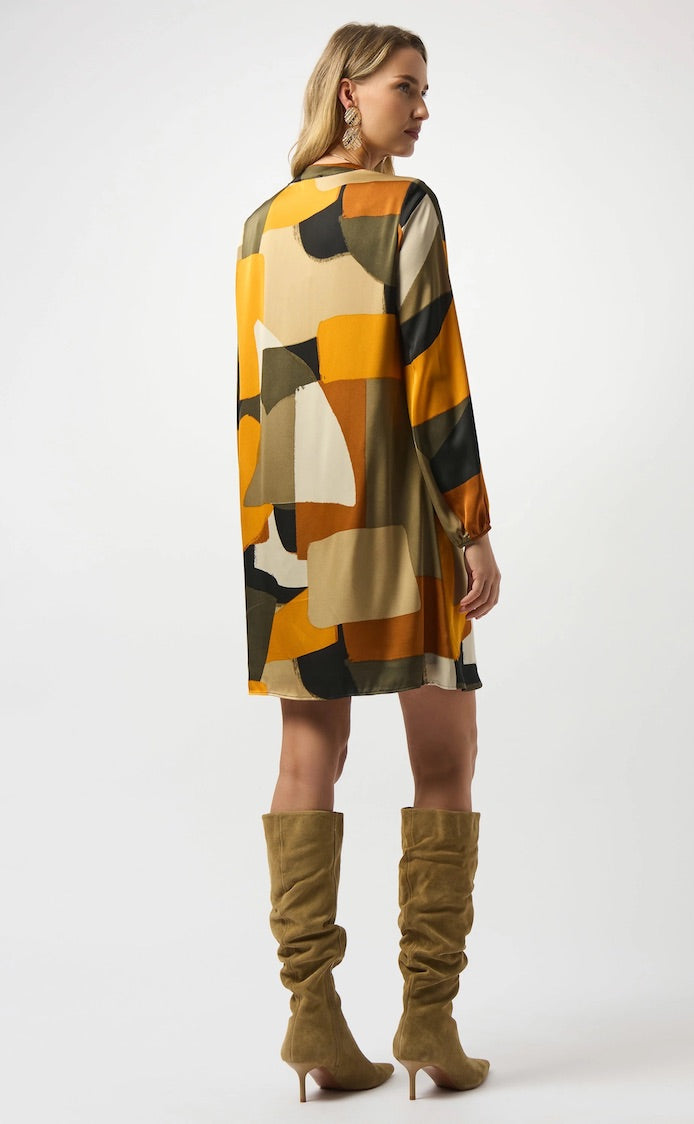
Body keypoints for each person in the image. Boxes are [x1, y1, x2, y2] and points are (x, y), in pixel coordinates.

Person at [235, 21, 501, 1103]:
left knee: (309, 752)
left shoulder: (261, 222)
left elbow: (258, 392)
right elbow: (434, 370)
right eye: (407, 87)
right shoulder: (405, 207)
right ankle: (429, 1015)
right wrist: (472, 523)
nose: (422, 109)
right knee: (446, 756)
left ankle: (312, 1017)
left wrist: (269, 540)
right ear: (349, 92)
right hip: (396, 522)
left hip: (291, 531)